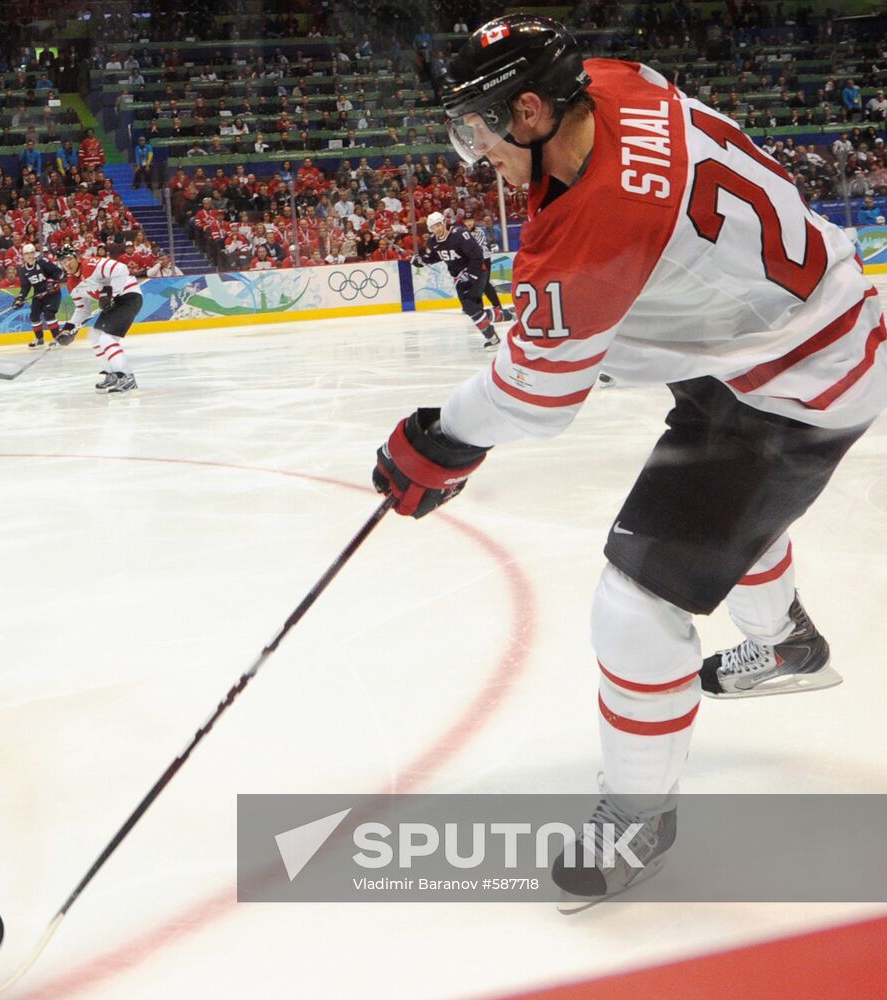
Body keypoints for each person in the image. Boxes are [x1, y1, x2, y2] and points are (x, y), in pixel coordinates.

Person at [374, 15, 886, 908]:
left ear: (530, 110)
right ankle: (785, 642)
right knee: (723, 515)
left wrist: (435, 440)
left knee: (636, 597)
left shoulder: (594, 225)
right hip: (778, 337)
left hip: (791, 387)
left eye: (477, 129)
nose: (471, 153)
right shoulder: (616, 79)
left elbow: (534, 401)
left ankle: (639, 815)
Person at [57, 246, 143, 394]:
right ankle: (113, 374)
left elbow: (121, 269)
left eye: (69, 259)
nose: (67, 264)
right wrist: (69, 328)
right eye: (63, 262)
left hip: (128, 297)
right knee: (95, 337)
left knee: (106, 339)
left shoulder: (90, 264)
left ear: (77, 258)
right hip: (113, 304)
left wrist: (112, 293)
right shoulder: (72, 284)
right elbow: (83, 309)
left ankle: (126, 376)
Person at [411, 211, 501, 348]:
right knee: (473, 310)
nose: (437, 229)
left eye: (439, 225)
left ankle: (494, 336)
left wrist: (471, 274)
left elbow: (477, 254)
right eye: (433, 227)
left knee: (471, 308)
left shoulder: (459, 234)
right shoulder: (433, 242)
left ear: (444, 223)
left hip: (477, 272)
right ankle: (504, 317)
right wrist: (421, 260)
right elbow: (436, 257)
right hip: (459, 278)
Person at [13, 243, 68, 348]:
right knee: (34, 317)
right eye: (26, 254)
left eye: (31, 253)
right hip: (39, 295)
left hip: (52, 293)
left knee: (49, 314)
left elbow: (59, 273)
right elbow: (25, 287)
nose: (29, 255)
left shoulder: (43, 262)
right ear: (23, 256)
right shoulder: (23, 270)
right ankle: (39, 339)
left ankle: (57, 338)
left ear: (35, 253)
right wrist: (19, 299)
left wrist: (52, 281)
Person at [462, 215, 513, 321]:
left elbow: (476, 247)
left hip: (484, 259)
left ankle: (497, 305)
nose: (469, 223)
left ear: (474, 221)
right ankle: (474, 307)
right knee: (474, 283)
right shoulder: (463, 233)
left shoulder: (479, 232)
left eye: (471, 220)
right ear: (464, 222)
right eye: (467, 221)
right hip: (472, 261)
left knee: (485, 284)